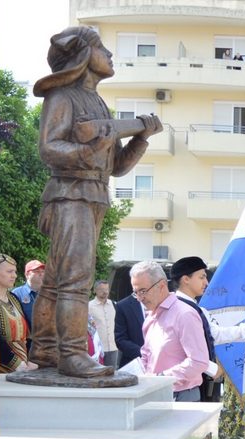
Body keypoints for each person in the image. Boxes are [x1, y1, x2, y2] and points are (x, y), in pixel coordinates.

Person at [30, 26, 162, 378]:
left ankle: (44, 349)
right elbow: (49, 148)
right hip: (69, 194)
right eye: (102, 47)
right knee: (74, 278)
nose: (110, 54)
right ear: (85, 56)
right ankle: (72, 353)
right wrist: (89, 149)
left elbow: (116, 167)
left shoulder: (99, 103)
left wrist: (141, 138)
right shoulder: (62, 97)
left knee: (60, 279)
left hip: (93, 193)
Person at [171, 256, 245, 403]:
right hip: (183, 385)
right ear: (186, 279)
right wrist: (210, 368)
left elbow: (215, 334)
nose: (206, 282)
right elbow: (178, 350)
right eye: (202, 277)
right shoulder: (178, 309)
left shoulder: (196, 309)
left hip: (196, 380)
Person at [131, 261, 209, 401]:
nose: (139, 298)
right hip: (155, 393)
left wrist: (162, 378)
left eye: (143, 291)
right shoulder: (151, 317)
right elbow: (147, 356)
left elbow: (199, 361)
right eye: (136, 293)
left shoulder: (184, 314)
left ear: (161, 286)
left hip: (182, 396)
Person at [0, 254, 34, 373]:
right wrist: (15, 362)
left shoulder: (14, 298)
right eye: (9, 271)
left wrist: (30, 359)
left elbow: (27, 334)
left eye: (15, 272)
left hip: (21, 366)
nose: (14, 275)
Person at [88, 279, 118, 366]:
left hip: (113, 347)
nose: (105, 292)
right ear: (95, 290)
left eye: (107, 289)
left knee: (112, 374)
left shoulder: (114, 305)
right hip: (97, 349)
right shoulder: (89, 306)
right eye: (102, 289)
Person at [11, 259, 45, 332]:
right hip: (26, 340)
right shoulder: (17, 293)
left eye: (43, 271)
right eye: (37, 271)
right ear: (27, 275)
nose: (41, 274)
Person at [114, 291, 145, 364]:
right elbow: (120, 339)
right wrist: (143, 353)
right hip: (134, 363)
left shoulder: (162, 302)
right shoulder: (123, 305)